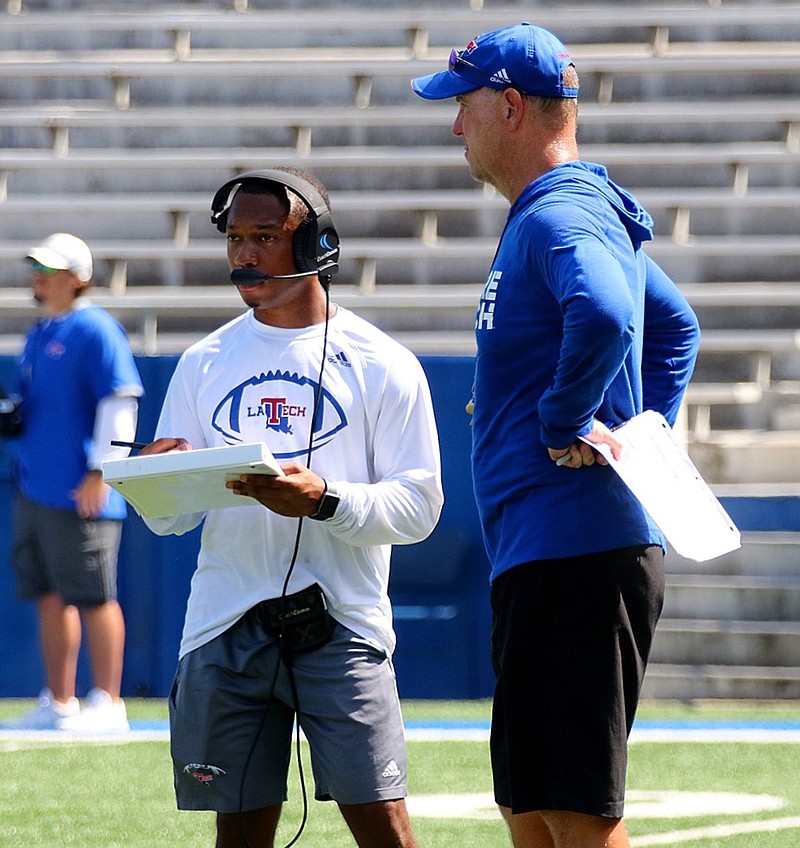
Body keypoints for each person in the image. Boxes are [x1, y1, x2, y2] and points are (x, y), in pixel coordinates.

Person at [412, 23, 701, 848]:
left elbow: (613, 314)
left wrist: (570, 419)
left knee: (572, 813)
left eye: (462, 105)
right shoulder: (560, 210)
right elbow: (675, 327)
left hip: (576, 551)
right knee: (530, 806)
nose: (454, 125)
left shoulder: (561, 212)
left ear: (509, 106)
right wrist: (643, 427)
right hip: (546, 553)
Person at [137, 167, 443, 848]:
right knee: (238, 834)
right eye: (236, 237)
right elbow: (169, 520)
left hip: (343, 622)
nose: (245, 254)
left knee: (383, 826)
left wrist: (325, 500)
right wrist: (160, 480)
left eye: (266, 237)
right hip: (223, 622)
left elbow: (420, 507)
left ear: (317, 247)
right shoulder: (202, 362)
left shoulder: (383, 364)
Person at [5, 232, 143, 732]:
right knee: (48, 593)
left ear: (76, 278)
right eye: (36, 268)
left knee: (94, 594)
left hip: (80, 489)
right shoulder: (41, 332)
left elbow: (120, 400)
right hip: (36, 485)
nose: (37, 277)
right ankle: (58, 701)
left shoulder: (96, 330)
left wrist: (101, 472)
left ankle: (108, 701)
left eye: (48, 269)